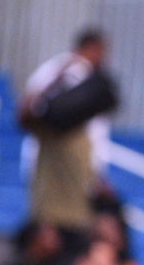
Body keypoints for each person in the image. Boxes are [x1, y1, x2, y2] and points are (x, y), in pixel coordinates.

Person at [18, 28, 117, 237]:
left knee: (78, 230)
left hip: (80, 170)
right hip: (50, 162)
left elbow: (97, 134)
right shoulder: (54, 71)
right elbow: (27, 112)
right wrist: (58, 79)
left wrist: (97, 176)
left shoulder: (97, 84)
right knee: (49, 229)